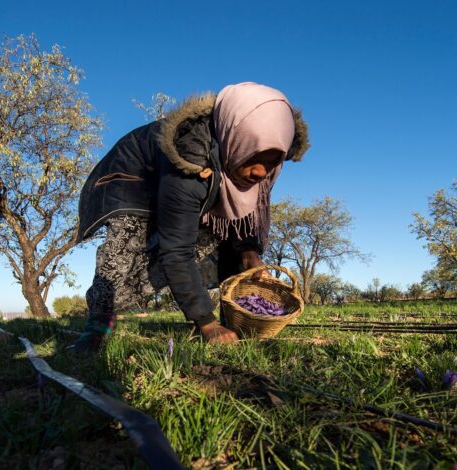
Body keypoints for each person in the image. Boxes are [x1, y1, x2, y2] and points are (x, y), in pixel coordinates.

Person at [70, 82, 309, 353]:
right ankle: (98, 324)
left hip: (186, 181)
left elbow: (240, 217)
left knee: (213, 240)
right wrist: (206, 323)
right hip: (130, 183)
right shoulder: (191, 159)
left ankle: (227, 317)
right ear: (237, 141)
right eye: (255, 158)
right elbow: (177, 248)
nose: (260, 172)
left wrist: (250, 254)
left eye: (271, 161)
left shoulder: (254, 162)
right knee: (123, 252)